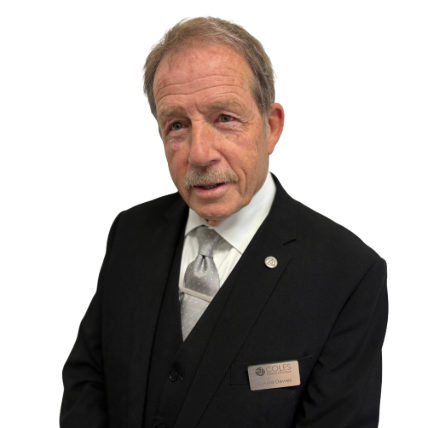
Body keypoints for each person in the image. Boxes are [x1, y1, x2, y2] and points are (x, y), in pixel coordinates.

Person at [60, 17, 388, 428]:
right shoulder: (131, 233)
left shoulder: (349, 274)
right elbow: (88, 380)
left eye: (225, 118)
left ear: (271, 127)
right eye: (177, 125)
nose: (199, 153)